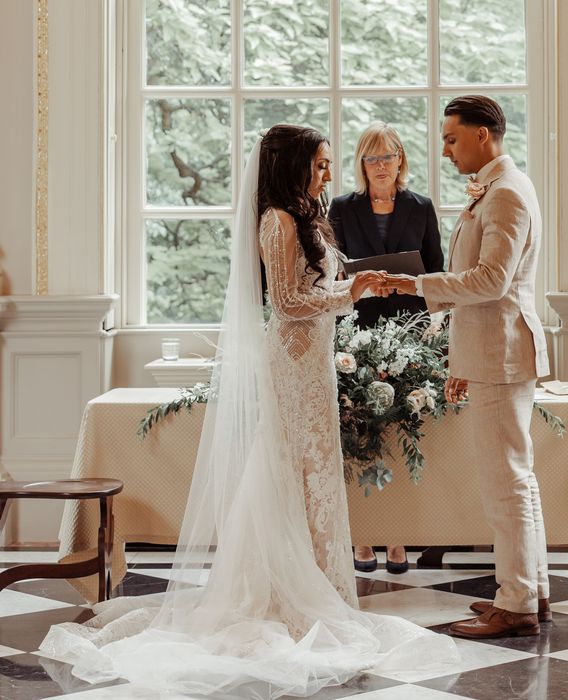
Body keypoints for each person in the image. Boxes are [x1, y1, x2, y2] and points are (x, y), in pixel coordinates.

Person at [39, 125, 457, 697]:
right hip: (291, 360)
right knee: (289, 465)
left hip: (312, 360)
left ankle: (322, 586)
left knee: (315, 469)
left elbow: (316, 291)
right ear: (294, 166)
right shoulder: (276, 221)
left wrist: (359, 285)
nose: (331, 173)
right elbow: (285, 302)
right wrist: (352, 290)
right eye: (322, 163)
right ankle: (283, 591)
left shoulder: (307, 215)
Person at [383, 95, 551, 639]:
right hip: (488, 351)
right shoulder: (498, 190)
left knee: (507, 483)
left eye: (453, 139)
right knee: (513, 480)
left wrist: (415, 284)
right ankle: (530, 590)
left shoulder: (505, 194)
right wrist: (459, 359)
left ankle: (518, 602)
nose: (447, 150)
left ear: (484, 134)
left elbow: (491, 282)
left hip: (502, 353)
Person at [329, 121, 445, 575]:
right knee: (360, 432)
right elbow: (332, 271)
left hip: (408, 329)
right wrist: (357, 284)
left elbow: (436, 269)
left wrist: (406, 287)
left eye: (388, 156)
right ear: (362, 164)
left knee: (399, 429)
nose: (381, 165)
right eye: (372, 158)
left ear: (401, 159)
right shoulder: (341, 207)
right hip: (356, 330)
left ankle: (397, 537)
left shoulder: (421, 207)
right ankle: (363, 538)